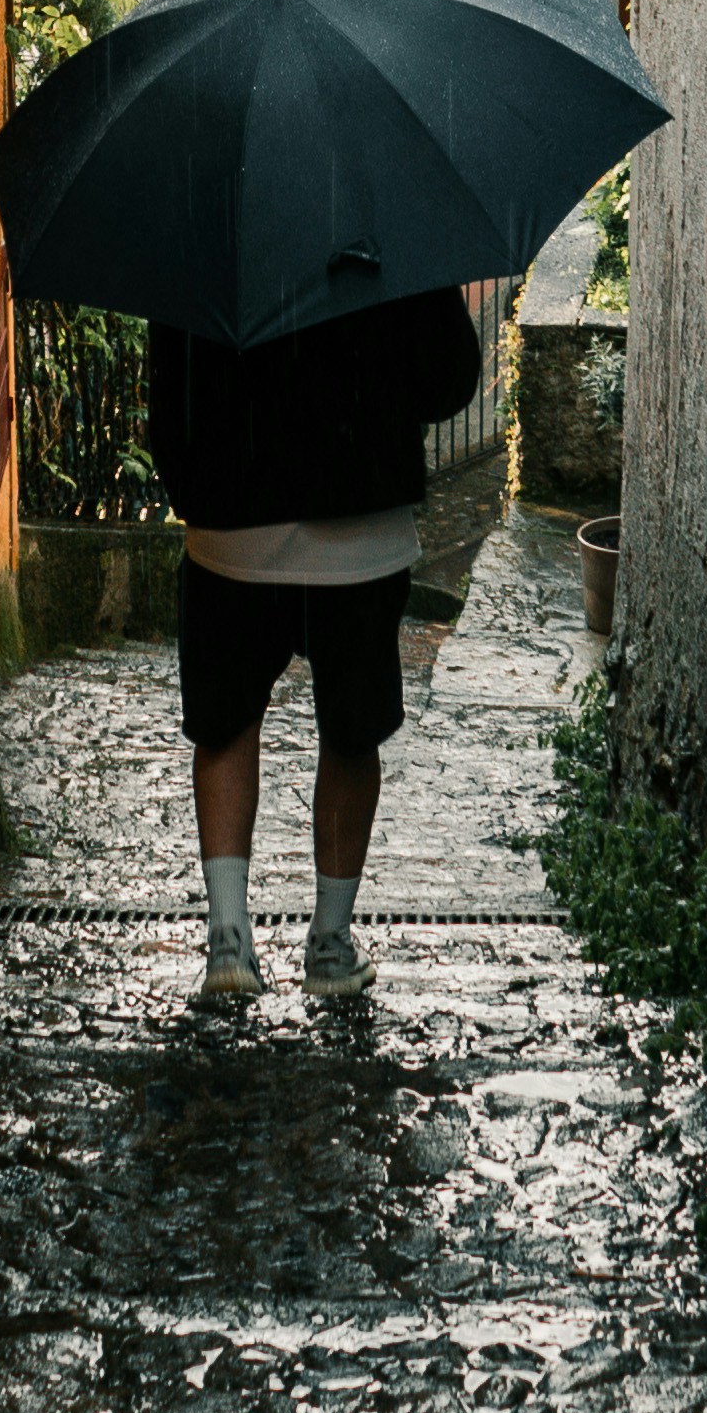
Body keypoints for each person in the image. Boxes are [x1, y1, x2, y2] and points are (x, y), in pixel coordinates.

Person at [146, 283, 484, 997]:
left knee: (227, 724)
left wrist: (199, 487)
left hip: (233, 525)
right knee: (351, 734)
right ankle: (330, 947)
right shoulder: (382, 205)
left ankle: (228, 944)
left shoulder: (209, 202)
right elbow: (450, 376)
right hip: (358, 526)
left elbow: (170, 388)